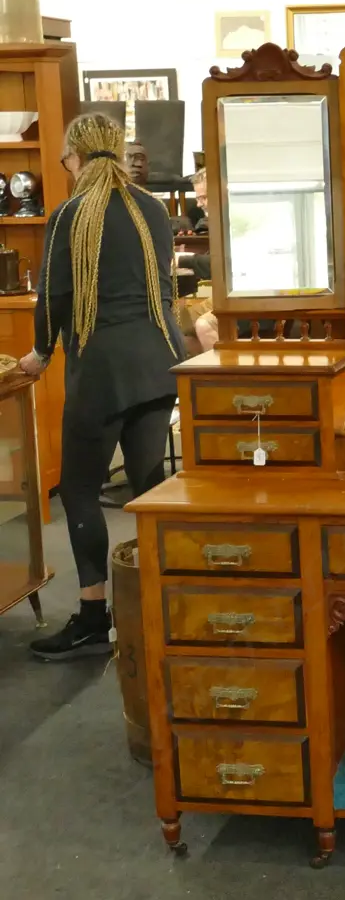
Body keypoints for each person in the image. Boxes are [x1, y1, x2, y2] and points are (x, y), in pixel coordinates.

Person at [19, 112, 186, 661]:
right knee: (150, 487)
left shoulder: (73, 213)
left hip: (102, 371)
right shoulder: (154, 210)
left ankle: (94, 615)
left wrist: (40, 354)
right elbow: (163, 290)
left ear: (77, 155)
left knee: (80, 489)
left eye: (67, 158)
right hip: (159, 362)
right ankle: (166, 605)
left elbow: (54, 298)